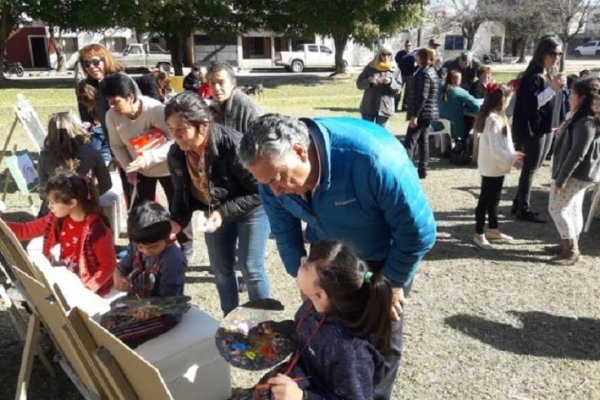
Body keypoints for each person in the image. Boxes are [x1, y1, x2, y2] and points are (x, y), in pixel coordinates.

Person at [239, 114, 437, 400]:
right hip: (327, 259)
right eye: (265, 182)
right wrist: (302, 276)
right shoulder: (271, 175)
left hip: (383, 263)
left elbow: (419, 233)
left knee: (378, 340)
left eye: (278, 178)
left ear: (299, 151)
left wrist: (393, 281)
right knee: (323, 331)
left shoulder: (374, 160)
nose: (275, 190)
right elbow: (283, 229)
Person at [236, 241, 390, 400]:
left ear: (320, 295)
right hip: (288, 381)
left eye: (307, 264)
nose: (302, 261)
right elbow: (306, 335)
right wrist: (282, 330)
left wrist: (303, 396)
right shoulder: (312, 306)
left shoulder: (350, 353)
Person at [165, 92, 271, 315]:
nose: (175, 137)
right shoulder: (177, 153)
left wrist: (223, 212)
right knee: (221, 269)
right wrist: (176, 222)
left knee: (251, 268)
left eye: (181, 130)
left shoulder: (234, 145)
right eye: (171, 129)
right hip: (213, 212)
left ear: (203, 125)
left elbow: (261, 190)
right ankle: (231, 320)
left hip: (251, 209)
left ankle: (264, 322)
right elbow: (182, 193)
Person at [5, 172, 116, 296]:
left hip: (89, 292)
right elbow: (24, 230)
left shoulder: (98, 231)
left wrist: (87, 291)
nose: (49, 206)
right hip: (64, 282)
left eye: (53, 202)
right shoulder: (55, 220)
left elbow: (108, 266)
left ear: (72, 203)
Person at [112, 201, 187, 346]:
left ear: (166, 237)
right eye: (140, 246)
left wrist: (151, 310)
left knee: (117, 337)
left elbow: (173, 303)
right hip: (138, 301)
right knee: (106, 322)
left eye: (153, 247)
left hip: (163, 315)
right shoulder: (140, 242)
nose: (145, 251)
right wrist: (118, 277)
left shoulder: (172, 260)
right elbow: (122, 266)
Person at [512, 35, 566, 223]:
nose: (556, 57)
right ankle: (522, 208)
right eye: (553, 53)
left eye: (559, 53)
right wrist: (551, 89)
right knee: (530, 168)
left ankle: (518, 202)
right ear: (542, 53)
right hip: (534, 129)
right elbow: (530, 105)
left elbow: (556, 103)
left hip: (548, 127)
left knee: (534, 167)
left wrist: (560, 122)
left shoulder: (551, 74)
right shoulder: (534, 76)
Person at [547, 78, 600, 265]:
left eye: (573, 94)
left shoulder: (586, 120)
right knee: (572, 207)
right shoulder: (581, 116)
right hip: (581, 174)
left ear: (583, 98)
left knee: (556, 208)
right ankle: (567, 242)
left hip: (576, 174)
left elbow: (577, 153)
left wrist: (561, 180)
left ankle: (571, 249)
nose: (570, 97)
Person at [101, 72, 174, 209]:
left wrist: (148, 158)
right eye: (109, 102)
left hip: (167, 168)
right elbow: (117, 145)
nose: (112, 107)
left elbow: (175, 141)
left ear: (130, 97)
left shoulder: (156, 110)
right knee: (142, 211)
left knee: (177, 209)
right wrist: (129, 167)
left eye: (116, 102)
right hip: (140, 169)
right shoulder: (111, 116)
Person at [473, 83, 524, 249]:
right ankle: (479, 233)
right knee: (485, 200)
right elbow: (495, 149)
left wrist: (512, 153)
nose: (510, 102)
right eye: (509, 99)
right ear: (502, 100)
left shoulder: (497, 117)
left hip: (497, 166)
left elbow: (503, 144)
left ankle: (493, 229)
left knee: (494, 198)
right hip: (491, 166)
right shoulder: (492, 120)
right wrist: (512, 160)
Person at [38, 112, 111, 202]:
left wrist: (58, 200)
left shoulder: (45, 156)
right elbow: (106, 184)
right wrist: (88, 196)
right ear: (77, 128)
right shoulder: (92, 152)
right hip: (85, 207)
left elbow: (42, 190)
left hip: (56, 208)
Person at [403, 47, 439, 179]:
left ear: (423, 58)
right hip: (427, 113)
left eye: (417, 55)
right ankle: (422, 169)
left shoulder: (424, 73)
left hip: (422, 113)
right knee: (423, 142)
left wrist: (415, 116)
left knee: (409, 142)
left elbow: (422, 96)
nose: (415, 57)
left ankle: (405, 170)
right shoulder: (430, 71)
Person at [76, 44, 124, 141]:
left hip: (125, 132)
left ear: (105, 60)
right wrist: (86, 125)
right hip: (104, 136)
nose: (91, 67)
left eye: (95, 62)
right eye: (87, 64)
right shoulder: (84, 86)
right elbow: (85, 116)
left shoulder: (120, 80)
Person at [206, 61, 261, 133]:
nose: (216, 88)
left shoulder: (247, 107)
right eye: (212, 83)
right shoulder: (207, 108)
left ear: (232, 83)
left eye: (221, 83)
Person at [356, 46, 403, 126]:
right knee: (367, 132)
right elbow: (359, 84)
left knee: (380, 134)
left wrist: (390, 82)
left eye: (388, 54)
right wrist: (369, 81)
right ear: (379, 55)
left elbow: (398, 89)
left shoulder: (395, 69)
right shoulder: (370, 67)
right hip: (369, 106)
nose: (386, 57)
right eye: (383, 54)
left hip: (384, 108)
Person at [439, 70, 481, 141]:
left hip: (439, 124)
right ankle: (464, 143)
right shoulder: (458, 91)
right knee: (471, 120)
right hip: (455, 127)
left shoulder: (440, 89)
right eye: (460, 79)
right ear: (455, 80)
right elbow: (476, 104)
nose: (461, 81)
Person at [394, 40, 413, 111]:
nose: (408, 47)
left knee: (408, 92)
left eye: (409, 45)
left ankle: (405, 107)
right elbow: (396, 61)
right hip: (401, 75)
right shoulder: (400, 54)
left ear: (411, 46)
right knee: (398, 91)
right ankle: (394, 106)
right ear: (404, 46)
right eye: (407, 45)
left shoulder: (413, 54)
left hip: (410, 75)